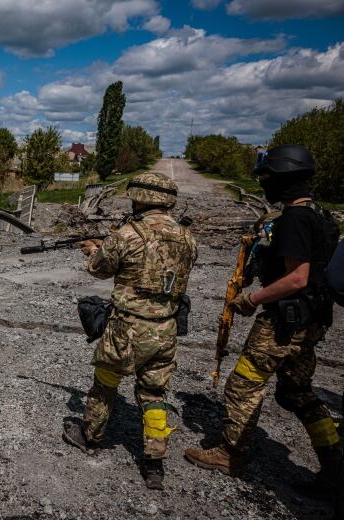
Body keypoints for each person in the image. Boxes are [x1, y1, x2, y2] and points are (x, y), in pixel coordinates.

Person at [184, 145, 341, 495]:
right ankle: (335, 464)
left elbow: (297, 277)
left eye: (267, 177)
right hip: (312, 320)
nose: (264, 183)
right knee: (296, 391)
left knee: (243, 384)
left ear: (283, 178)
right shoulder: (320, 215)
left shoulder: (294, 220)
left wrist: (251, 299)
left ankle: (229, 453)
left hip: (284, 323)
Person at [64, 172, 197, 490]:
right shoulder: (186, 237)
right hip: (166, 328)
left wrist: (94, 251)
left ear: (139, 198)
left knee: (106, 383)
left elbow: (98, 270)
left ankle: (90, 435)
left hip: (127, 328)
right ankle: (154, 463)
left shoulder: (127, 234)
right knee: (154, 394)